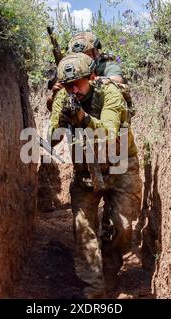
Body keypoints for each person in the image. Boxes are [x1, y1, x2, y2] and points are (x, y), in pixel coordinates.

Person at [47, 52, 142, 299]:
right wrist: (62, 120)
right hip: (85, 171)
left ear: (92, 77)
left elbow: (110, 133)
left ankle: (109, 275)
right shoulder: (62, 97)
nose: (74, 89)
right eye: (68, 85)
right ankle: (94, 287)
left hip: (120, 164)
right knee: (83, 228)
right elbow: (51, 139)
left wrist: (83, 119)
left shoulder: (109, 93)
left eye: (78, 83)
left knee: (122, 228)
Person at [46, 32, 125, 112]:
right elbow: (51, 108)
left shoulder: (105, 66)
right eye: (79, 55)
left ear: (97, 52)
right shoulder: (71, 71)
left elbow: (118, 80)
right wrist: (56, 94)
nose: (83, 59)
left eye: (87, 55)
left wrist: (88, 81)